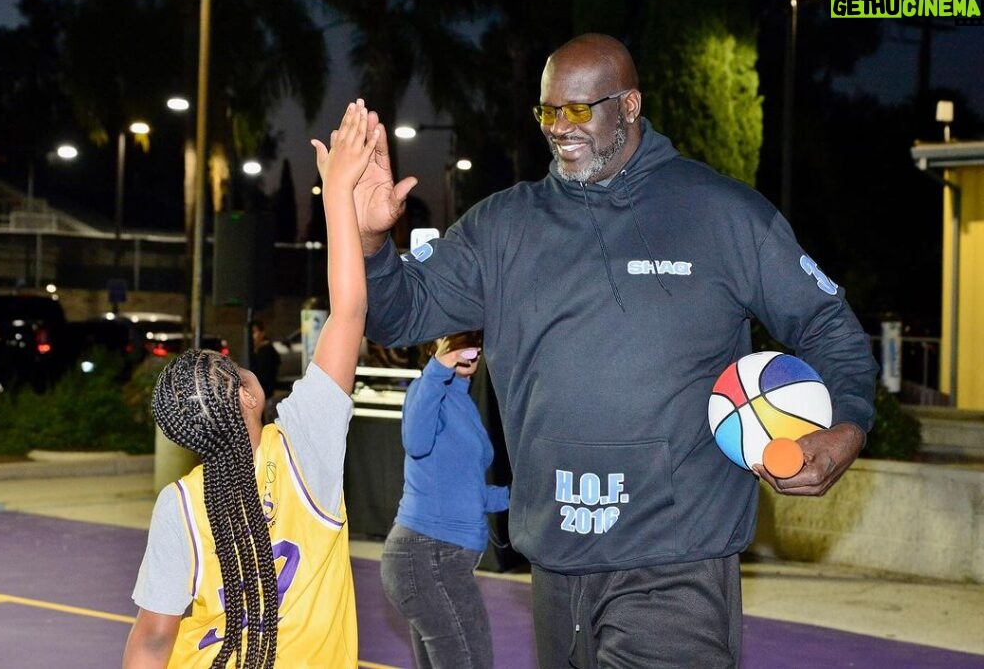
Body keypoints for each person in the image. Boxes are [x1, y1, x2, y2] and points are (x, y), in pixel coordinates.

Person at [352, 33, 878, 668]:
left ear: (630, 105)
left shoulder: (722, 214)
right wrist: (371, 242)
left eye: (579, 110)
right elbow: (397, 311)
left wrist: (847, 421)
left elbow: (830, 326)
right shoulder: (503, 226)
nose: (559, 128)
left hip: (674, 562)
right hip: (555, 564)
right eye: (547, 111)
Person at [122, 99, 377, 668]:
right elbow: (349, 312)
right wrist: (337, 194)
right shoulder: (304, 448)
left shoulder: (182, 502)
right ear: (249, 395)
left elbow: (154, 638)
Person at [380, 331, 510, 669]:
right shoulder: (426, 390)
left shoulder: (458, 398)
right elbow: (416, 441)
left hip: (431, 559)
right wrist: (439, 366)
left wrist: (520, 497)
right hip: (426, 557)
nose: (471, 349)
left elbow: (464, 490)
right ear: (433, 345)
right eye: (457, 339)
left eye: (474, 342)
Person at [249, 318, 281, 423]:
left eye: (255, 332)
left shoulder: (265, 351)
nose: (253, 337)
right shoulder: (257, 350)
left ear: (262, 333)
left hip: (264, 394)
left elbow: (263, 375)